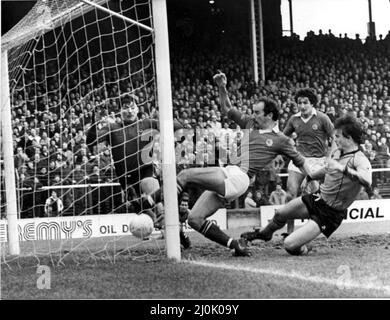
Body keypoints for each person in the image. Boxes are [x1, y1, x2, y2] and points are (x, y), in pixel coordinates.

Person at [142, 72, 312, 256]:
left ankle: (147, 201)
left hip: (239, 176)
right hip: (230, 174)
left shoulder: (281, 140)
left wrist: (310, 178)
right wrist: (222, 87)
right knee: (194, 219)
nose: (253, 115)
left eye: (257, 112)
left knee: (185, 175)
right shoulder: (250, 124)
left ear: (269, 115)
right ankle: (235, 245)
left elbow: (301, 162)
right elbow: (227, 108)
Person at [243, 115, 372, 256]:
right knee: (280, 214)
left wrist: (343, 169)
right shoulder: (337, 152)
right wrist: (310, 176)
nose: (335, 139)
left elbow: (367, 180)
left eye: (339, 136)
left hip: (330, 213)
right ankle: (264, 234)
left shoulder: (360, 159)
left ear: (349, 138)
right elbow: (327, 170)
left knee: (289, 245)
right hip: (318, 198)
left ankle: (306, 247)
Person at [86, 94, 182, 220]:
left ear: (137, 109)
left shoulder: (147, 123)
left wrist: (169, 123)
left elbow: (177, 128)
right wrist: (94, 124)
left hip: (145, 170)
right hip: (125, 177)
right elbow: (91, 142)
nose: (129, 111)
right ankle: (157, 223)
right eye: (126, 108)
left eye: (132, 107)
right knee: (141, 210)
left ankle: (166, 220)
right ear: (120, 111)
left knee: (151, 191)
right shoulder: (112, 128)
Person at [283, 88, 334, 234]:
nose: (302, 105)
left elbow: (334, 138)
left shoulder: (322, 118)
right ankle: (290, 231)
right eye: (299, 102)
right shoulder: (294, 119)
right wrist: (287, 146)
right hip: (299, 160)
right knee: (290, 194)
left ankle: (311, 231)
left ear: (312, 103)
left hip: (318, 162)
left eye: (305, 102)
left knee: (315, 198)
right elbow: (283, 137)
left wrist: (329, 157)